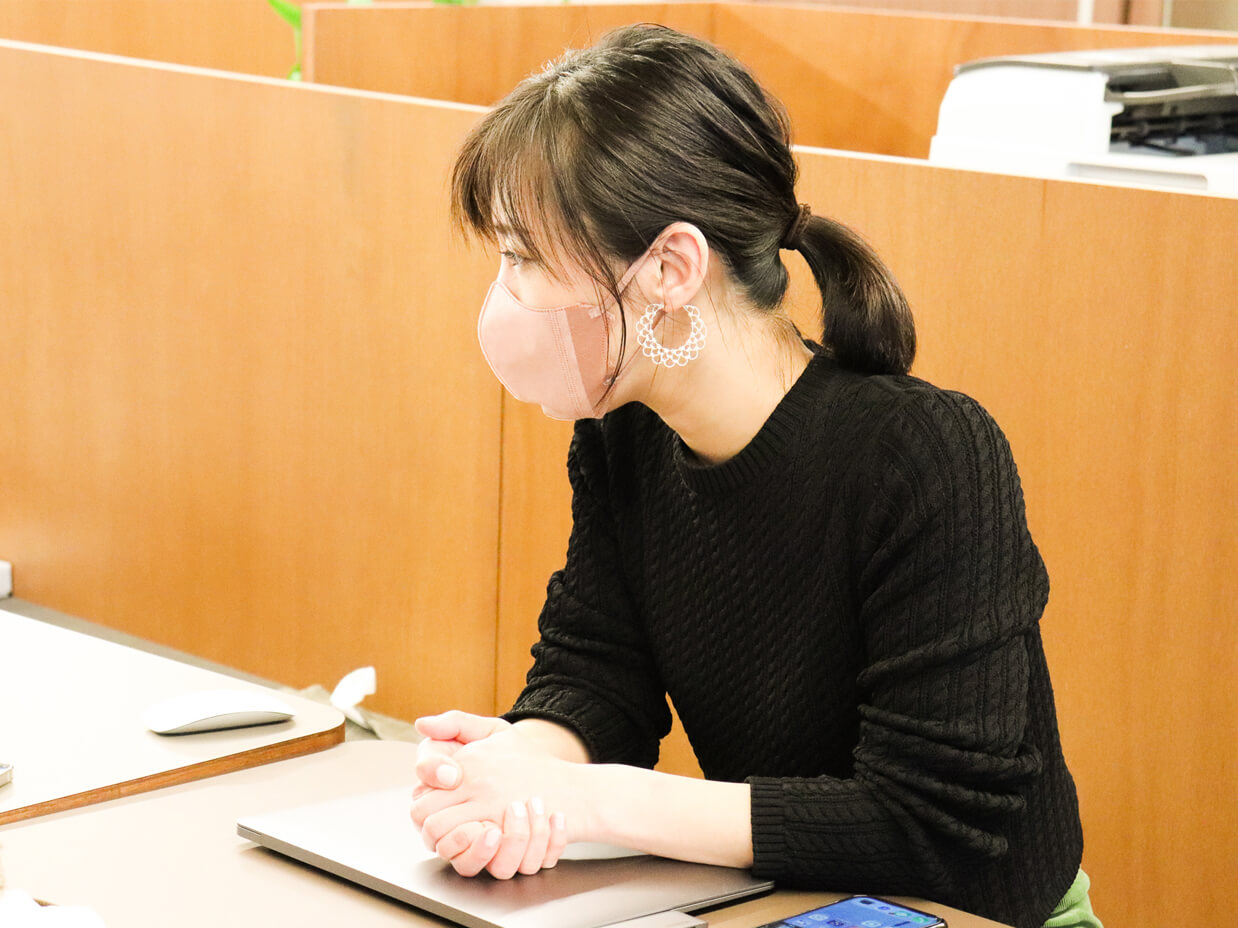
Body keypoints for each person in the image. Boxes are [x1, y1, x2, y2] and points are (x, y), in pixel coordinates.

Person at [409, 23, 1099, 928]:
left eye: (524, 256)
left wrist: (592, 800)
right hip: (786, 903)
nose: (507, 294)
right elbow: (596, 674)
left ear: (670, 267)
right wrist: (518, 772)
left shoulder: (928, 453)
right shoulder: (624, 438)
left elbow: (929, 825)